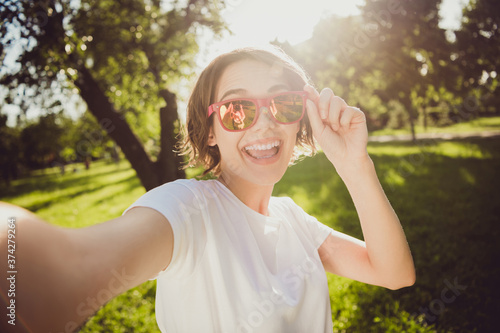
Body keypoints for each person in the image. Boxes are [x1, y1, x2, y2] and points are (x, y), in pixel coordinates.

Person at [0, 46, 415, 333]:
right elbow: (63, 270)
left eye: (283, 104)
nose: (264, 125)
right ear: (210, 131)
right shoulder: (187, 208)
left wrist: (355, 165)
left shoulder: (295, 220)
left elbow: (394, 273)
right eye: (237, 110)